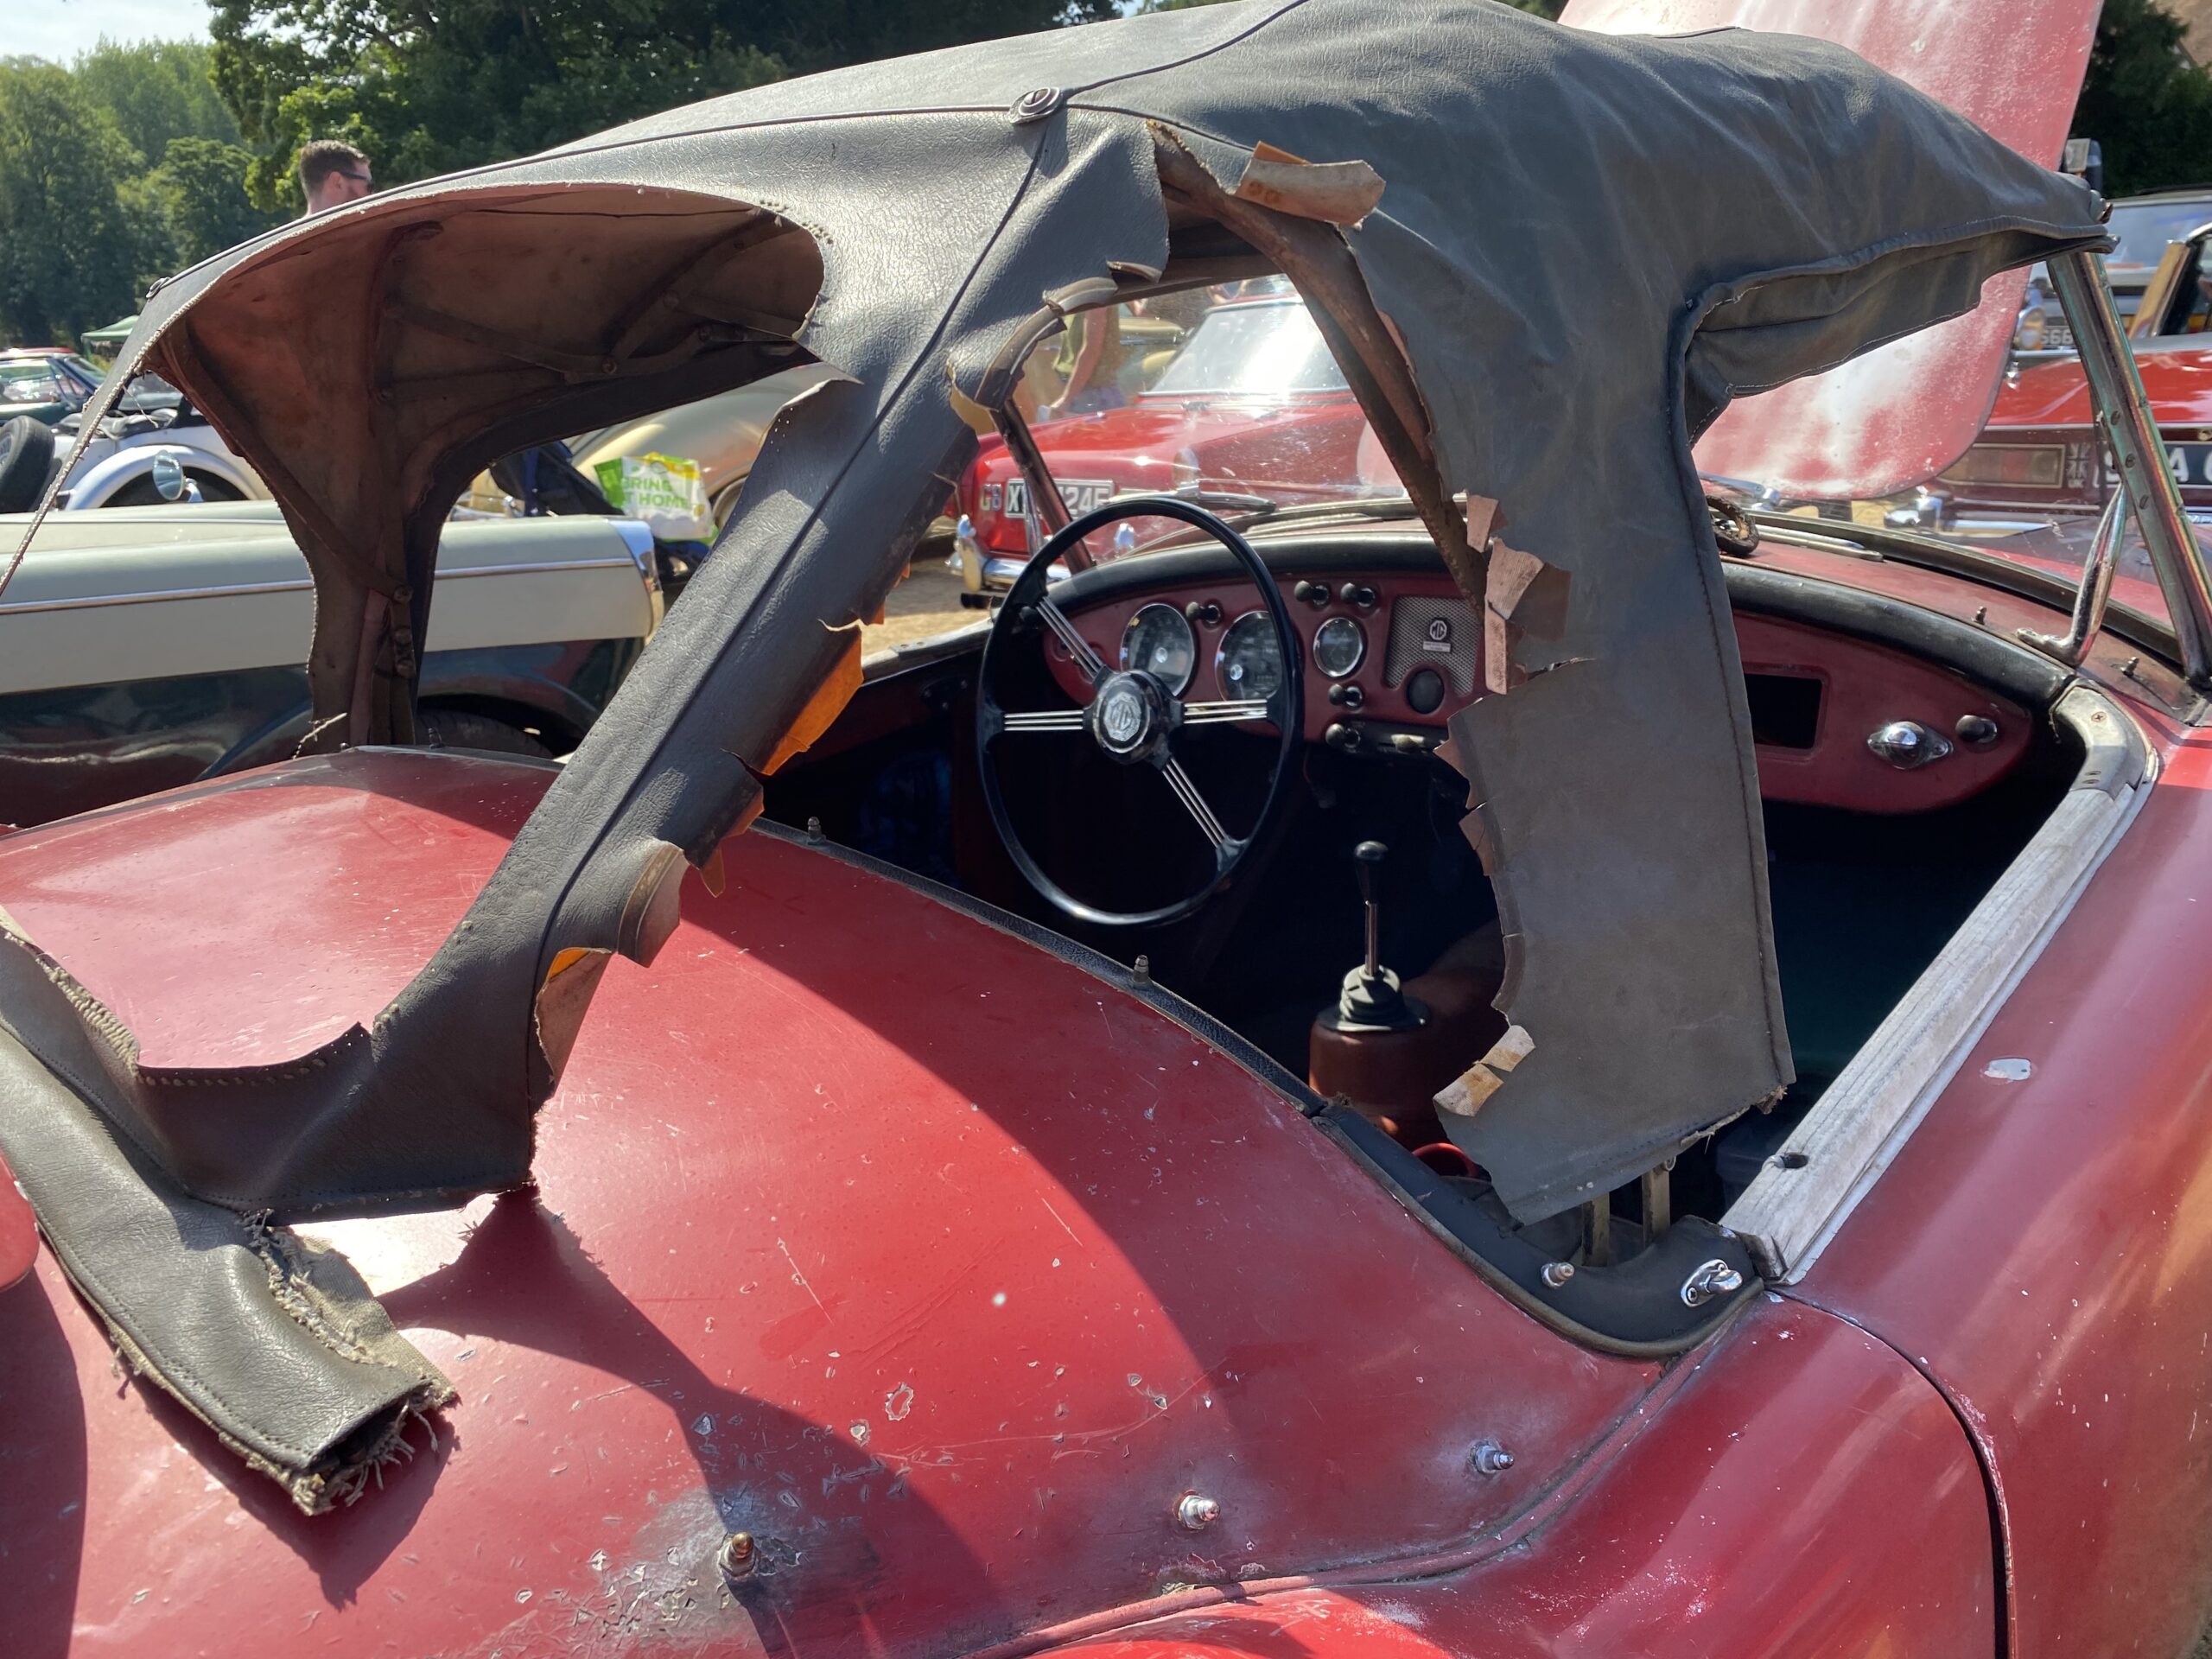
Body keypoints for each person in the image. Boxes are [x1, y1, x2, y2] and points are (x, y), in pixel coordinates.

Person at [297, 141, 373, 215]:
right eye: (369, 187)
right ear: (337, 182)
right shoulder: (373, 226)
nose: (372, 195)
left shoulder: (293, 228)